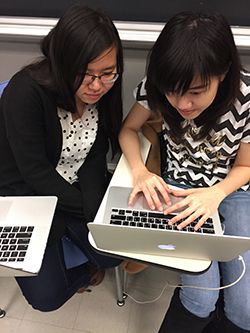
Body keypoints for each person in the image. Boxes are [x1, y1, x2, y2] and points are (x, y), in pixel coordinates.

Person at [119, 11, 250, 333]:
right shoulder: (155, 86)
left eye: (195, 91)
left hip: (231, 190)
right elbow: (127, 130)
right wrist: (140, 171)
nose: (182, 104)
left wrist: (216, 193)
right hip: (179, 187)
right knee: (201, 296)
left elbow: (246, 166)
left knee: (244, 306)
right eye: (171, 92)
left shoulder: (245, 97)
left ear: (223, 73)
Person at [0, 4, 124, 311]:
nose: (98, 86)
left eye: (107, 73)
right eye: (86, 75)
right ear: (63, 64)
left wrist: (95, 209)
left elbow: (96, 153)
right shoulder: (25, 92)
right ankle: (82, 273)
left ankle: (85, 256)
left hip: (72, 187)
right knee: (47, 299)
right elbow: (34, 173)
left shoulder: (104, 90)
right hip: (28, 194)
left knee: (114, 253)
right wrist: (87, 211)